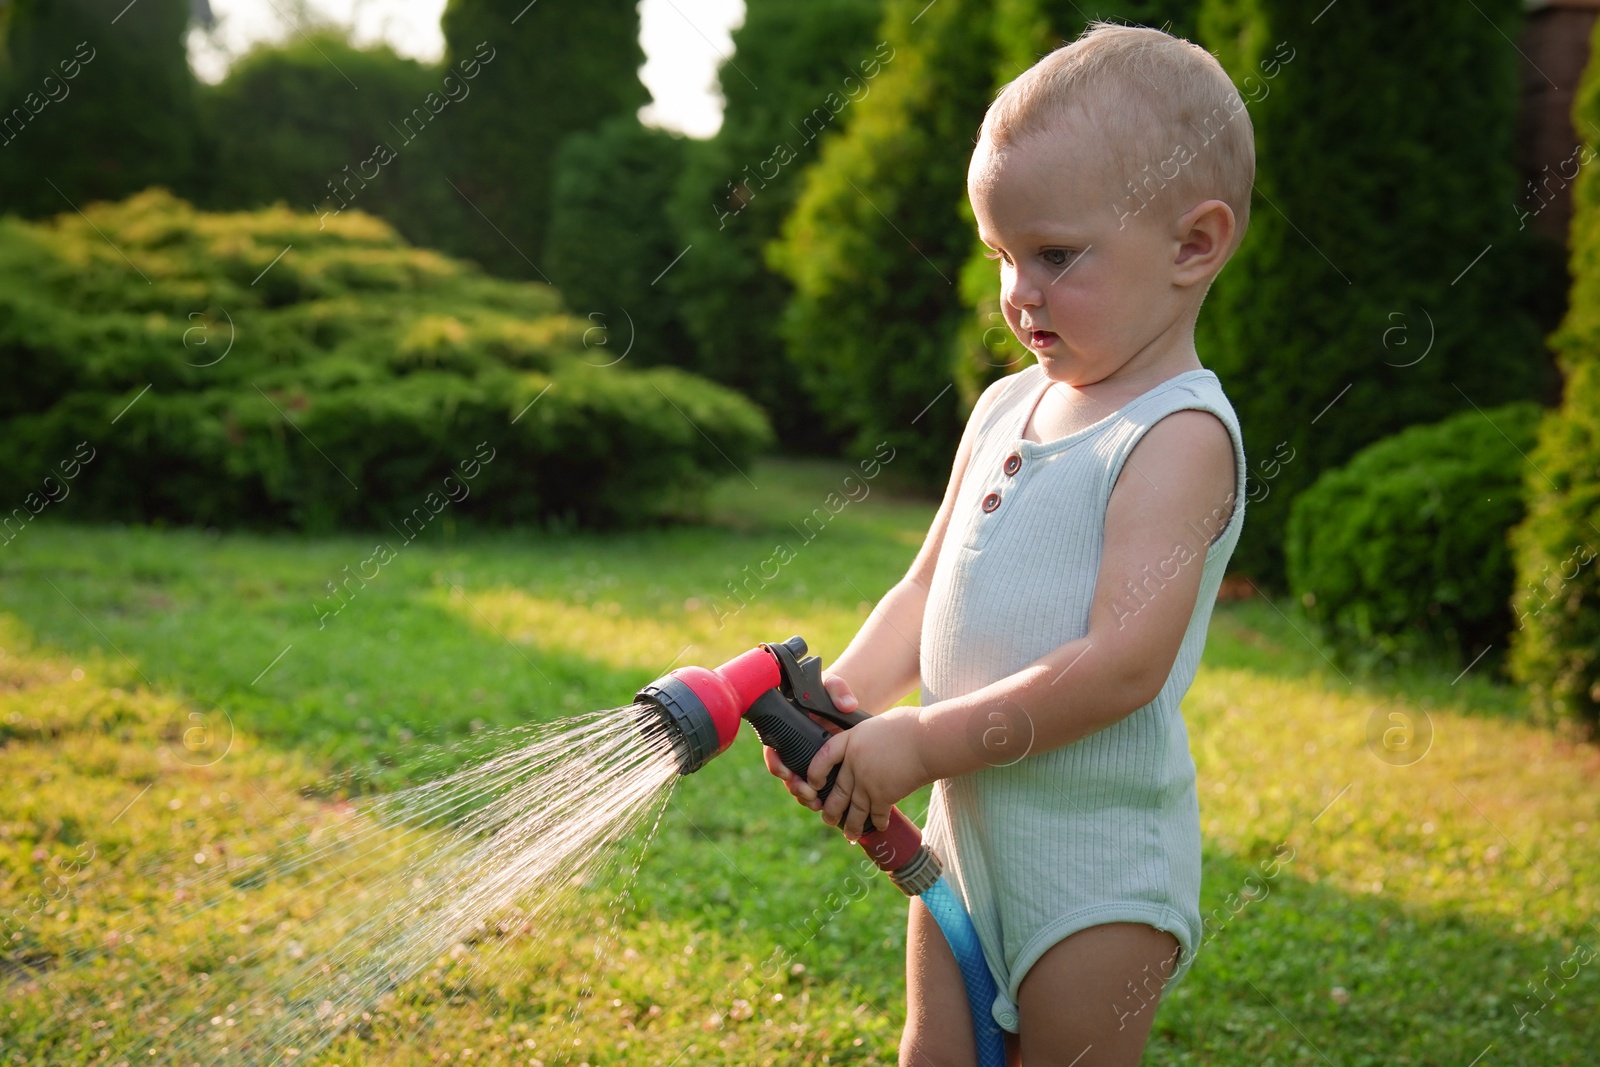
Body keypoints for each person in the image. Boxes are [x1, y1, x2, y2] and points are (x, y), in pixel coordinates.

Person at [763, 20, 1255, 1067]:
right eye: (1001, 255)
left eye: (1054, 254)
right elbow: (925, 581)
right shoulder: (1003, 406)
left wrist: (920, 742)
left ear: (1193, 243)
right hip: (964, 834)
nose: (1018, 291)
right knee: (930, 1054)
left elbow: (1120, 666)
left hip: (1096, 869)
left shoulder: (1175, 435)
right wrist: (847, 701)